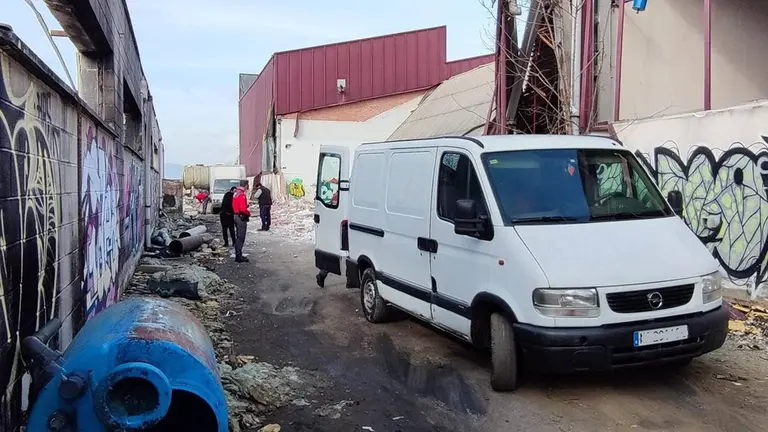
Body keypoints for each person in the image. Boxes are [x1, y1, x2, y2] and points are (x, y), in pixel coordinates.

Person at [231, 186, 251, 262]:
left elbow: (234, 205)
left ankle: (238, 254)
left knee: (238, 235)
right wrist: (248, 213)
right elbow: (242, 209)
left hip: (235, 216)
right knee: (241, 237)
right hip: (241, 217)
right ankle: (239, 256)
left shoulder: (235, 195)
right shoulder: (242, 195)